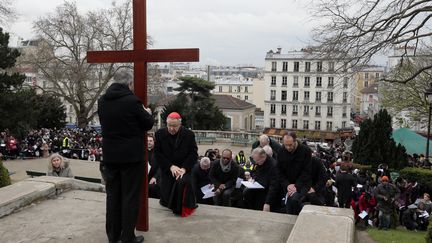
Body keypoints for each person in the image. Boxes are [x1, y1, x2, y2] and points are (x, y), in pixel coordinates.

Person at [98, 70, 154, 243]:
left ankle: (113, 236)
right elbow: (147, 123)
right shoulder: (132, 101)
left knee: (112, 196)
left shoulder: (102, 101)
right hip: (131, 157)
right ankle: (128, 237)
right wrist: (148, 112)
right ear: (129, 84)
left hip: (110, 156)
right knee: (130, 198)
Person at [154, 112, 198, 217]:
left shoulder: (188, 134)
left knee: (182, 183)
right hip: (168, 168)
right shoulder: (159, 134)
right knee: (167, 199)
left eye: (175, 126)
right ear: (166, 123)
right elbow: (158, 154)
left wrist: (184, 168)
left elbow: (193, 154)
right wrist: (170, 166)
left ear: (180, 125)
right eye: (169, 125)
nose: (171, 129)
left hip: (183, 168)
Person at [264, 132, 312, 215]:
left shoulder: (306, 151)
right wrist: (287, 185)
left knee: (294, 199)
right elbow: (279, 171)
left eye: (290, 145)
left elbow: (307, 171)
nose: (288, 147)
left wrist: (296, 186)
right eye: (285, 145)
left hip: (302, 183)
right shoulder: (281, 151)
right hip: (287, 184)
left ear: (295, 141)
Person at [147, 134, 160, 199]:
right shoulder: (141, 151)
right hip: (144, 177)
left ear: (154, 142)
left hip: (154, 176)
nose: (148, 142)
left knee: (152, 188)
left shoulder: (158, 152)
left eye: (150, 141)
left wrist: (155, 177)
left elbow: (161, 167)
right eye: (147, 141)